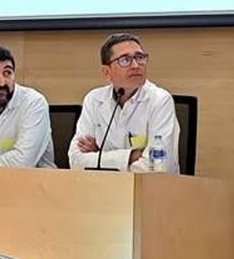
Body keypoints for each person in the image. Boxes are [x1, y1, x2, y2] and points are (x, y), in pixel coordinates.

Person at [69, 33, 180, 173]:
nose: (135, 65)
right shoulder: (94, 100)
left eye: (140, 57)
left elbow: (157, 166)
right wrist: (131, 156)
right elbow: (76, 161)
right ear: (106, 71)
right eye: (125, 60)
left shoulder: (160, 100)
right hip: (102, 189)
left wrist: (99, 157)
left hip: (151, 191)